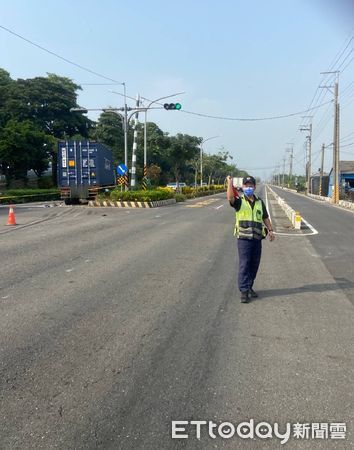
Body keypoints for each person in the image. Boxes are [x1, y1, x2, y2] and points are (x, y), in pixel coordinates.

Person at [227, 175, 275, 303]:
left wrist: (270, 230)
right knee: (245, 264)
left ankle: (249, 287)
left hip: (257, 238)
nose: (248, 187)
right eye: (246, 185)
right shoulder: (239, 201)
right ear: (243, 187)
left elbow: (265, 217)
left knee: (254, 264)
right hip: (244, 239)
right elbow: (230, 198)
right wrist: (229, 183)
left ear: (254, 187)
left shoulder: (259, 202)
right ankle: (244, 291)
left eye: (250, 185)